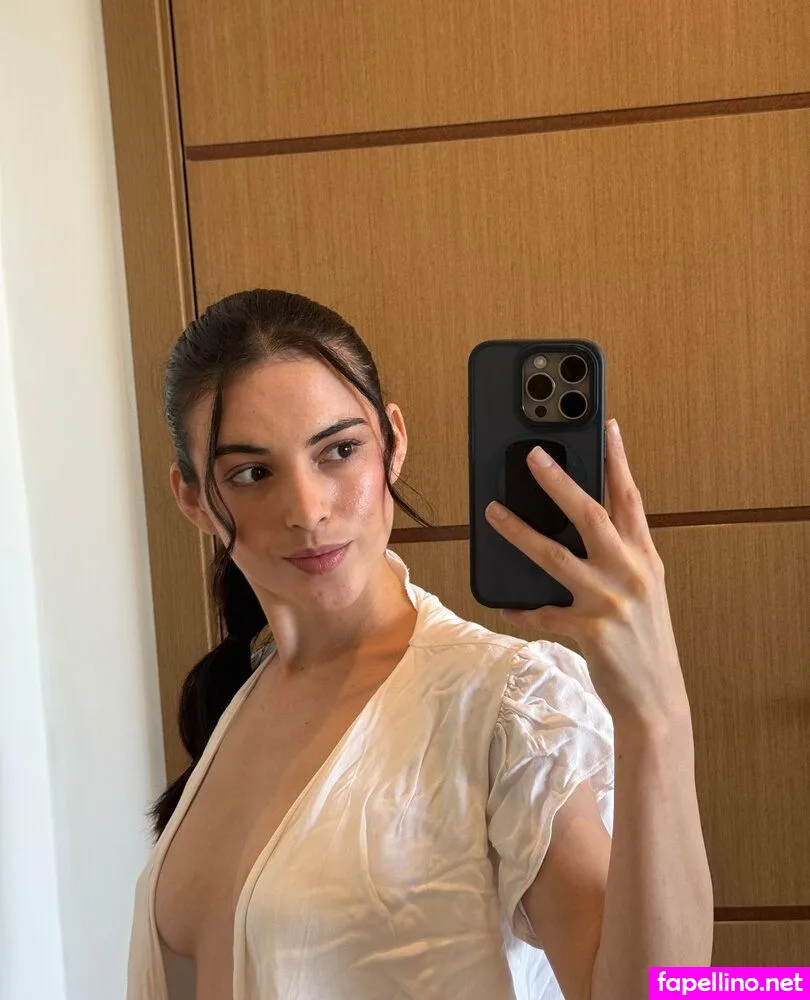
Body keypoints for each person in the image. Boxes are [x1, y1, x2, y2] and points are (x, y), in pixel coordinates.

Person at [126, 289, 713, 1000]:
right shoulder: (239, 695)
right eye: (252, 473)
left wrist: (656, 717)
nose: (307, 510)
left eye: (340, 450)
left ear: (393, 444)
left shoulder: (503, 706)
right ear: (192, 498)